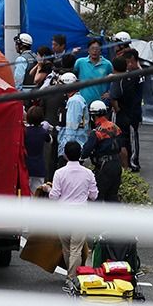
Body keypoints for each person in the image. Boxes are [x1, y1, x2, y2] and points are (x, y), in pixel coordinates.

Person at [48, 140, 98, 279]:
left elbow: (54, 196)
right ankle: (72, 278)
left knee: (66, 248)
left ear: (65, 155)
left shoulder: (59, 173)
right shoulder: (88, 173)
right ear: (80, 154)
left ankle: (71, 275)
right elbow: (94, 195)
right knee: (76, 248)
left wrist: (48, 189)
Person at [81, 100, 124, 202]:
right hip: (117, 164)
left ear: (93, 116)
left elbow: (86, 151)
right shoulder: (115, 127)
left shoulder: (97, 132)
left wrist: (80, 157)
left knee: (98, 198)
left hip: (104, 166)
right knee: (112, 196)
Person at [109, 51, 144, 171]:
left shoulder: (118, 81)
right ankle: (132, 163)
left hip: (123, 113)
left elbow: (113, 97)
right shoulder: (133, 77)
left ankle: (129, 164)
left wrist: (117, 108)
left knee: (122, 140)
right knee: (131, 138)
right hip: (133, 111)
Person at [23, 105, 53, 194]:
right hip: (39, 167)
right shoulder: (43, 132)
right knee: (37, 192)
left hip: (26, 165)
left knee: (25, 192)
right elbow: (50, 140)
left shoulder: (24, 131)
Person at [55, 73, 88, 156]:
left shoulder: (74, 101)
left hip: (72, 149)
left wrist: (67, 149)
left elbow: (71, 127)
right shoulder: (76, 99)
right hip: (74, 146)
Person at [75, 38, 114, 104]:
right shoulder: (80, 62)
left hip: (100, 104)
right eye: (92, 48)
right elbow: (73, 77)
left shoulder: (107, 64)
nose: (94, 51)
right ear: (88, 50)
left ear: (101, 50)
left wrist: (110, 93)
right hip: (82, 103)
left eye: (97, 48)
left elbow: (115, 80)